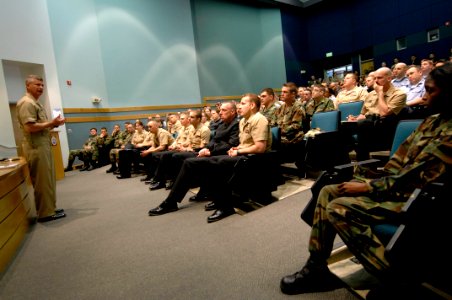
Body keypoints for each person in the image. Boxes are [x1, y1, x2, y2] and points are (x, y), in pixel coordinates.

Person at [280, 62, 452, 296]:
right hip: (398, 188)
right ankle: (316, 266)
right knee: (329, 189)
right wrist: (366, 178)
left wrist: (367, 187)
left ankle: (396, 281)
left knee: (339, 208)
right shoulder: (434, 120)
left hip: (421, 200)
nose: (424, 94)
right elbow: (397, 163)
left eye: (431, 90)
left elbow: (413, 178)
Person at [148, 94, 270, 223]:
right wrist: (236, 149)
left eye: (243, 103)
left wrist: (238, 150)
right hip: (241, 154)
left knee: (217, 162)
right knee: (190, 162)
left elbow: (260, 148)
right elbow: (245, 143)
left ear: (252, 105)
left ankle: (225, 205)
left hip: (253, 159)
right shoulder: (245, 121)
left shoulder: (259, 119)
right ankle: (171, 201)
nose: (240, 106)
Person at [16, 75, 66, 222]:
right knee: (42, 180)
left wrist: (54, 124)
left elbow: (40, 125)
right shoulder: (26, 103)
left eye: (42, 85)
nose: (41, 88)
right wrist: (51, 123)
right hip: (36, 146)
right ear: (28, 86)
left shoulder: (36, 103)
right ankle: (45, 213)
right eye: (37, 85)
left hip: (42, 144)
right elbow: (30, 127)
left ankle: (50, 207)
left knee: (48, 179)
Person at [348, 67, 406, 161]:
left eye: (379, 78)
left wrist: (380, 93)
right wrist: (355, 118)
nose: (376, 81)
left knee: (362, 125)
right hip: (367, 124)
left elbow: (384, 113)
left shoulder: (399, 94)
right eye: (374, 78)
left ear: (389, 78)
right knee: (342, 129)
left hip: (385, 127)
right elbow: (363, 114)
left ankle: (364, 165)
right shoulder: (371, 94)